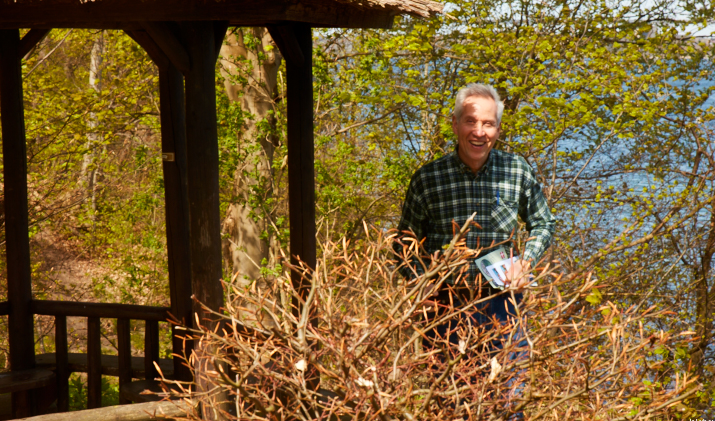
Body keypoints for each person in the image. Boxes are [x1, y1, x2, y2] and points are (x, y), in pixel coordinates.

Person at [395, 82, 555, 361]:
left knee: (507, 386)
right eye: (471, 121)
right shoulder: (428, 179)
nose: (479, 132)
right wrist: (422, 283)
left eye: (488, 124)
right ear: (455, 124)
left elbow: (543, 223)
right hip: (444, 307)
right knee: (447, 387)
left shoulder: (516, 170)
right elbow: (404, 244)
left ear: (498, 129)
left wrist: (525, 263)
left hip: (503, 305)